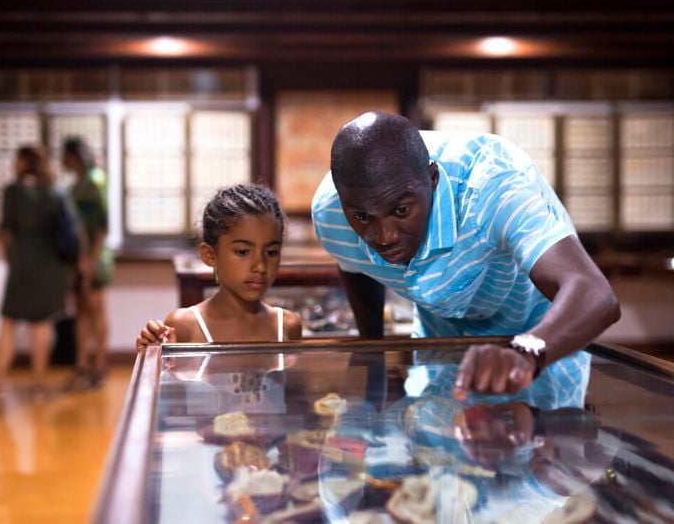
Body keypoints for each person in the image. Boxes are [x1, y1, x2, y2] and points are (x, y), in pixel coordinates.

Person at [311, 111, 620, 399]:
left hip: (539, 334)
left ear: (432, 179)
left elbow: (594, 294)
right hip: (441, 338)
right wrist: (371, 352)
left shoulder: (493, 187)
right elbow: (354, 264)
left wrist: (525, 351)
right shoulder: (331, 213)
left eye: (401, 210)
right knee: (434, 441)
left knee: (533, 448)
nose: (384, 235)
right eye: (363, 217)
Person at [136, 183, 302, 349]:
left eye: (271, 252)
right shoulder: (185, 325)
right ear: (210, 255)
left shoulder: (287, 326)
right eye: (243, 252)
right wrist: (152, 355)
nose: (260, 267)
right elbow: (168, 373)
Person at [0, 146, 68, 400]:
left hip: (22, 259)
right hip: (50, 261)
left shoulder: (13, 191)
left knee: (9, 321)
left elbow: (6, 232)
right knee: (41, 324)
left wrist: (11, 259)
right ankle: (38, 386)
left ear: (24, 162)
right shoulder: (53, 192)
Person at [62, 137, 114, 390]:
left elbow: (102, 227)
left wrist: (90, 260)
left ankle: (100, 363)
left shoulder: (94, 182)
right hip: (78, 257)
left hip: (94, 258)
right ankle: (81, 364)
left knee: (96, 310)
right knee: (80, 311)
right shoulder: (79, 183)